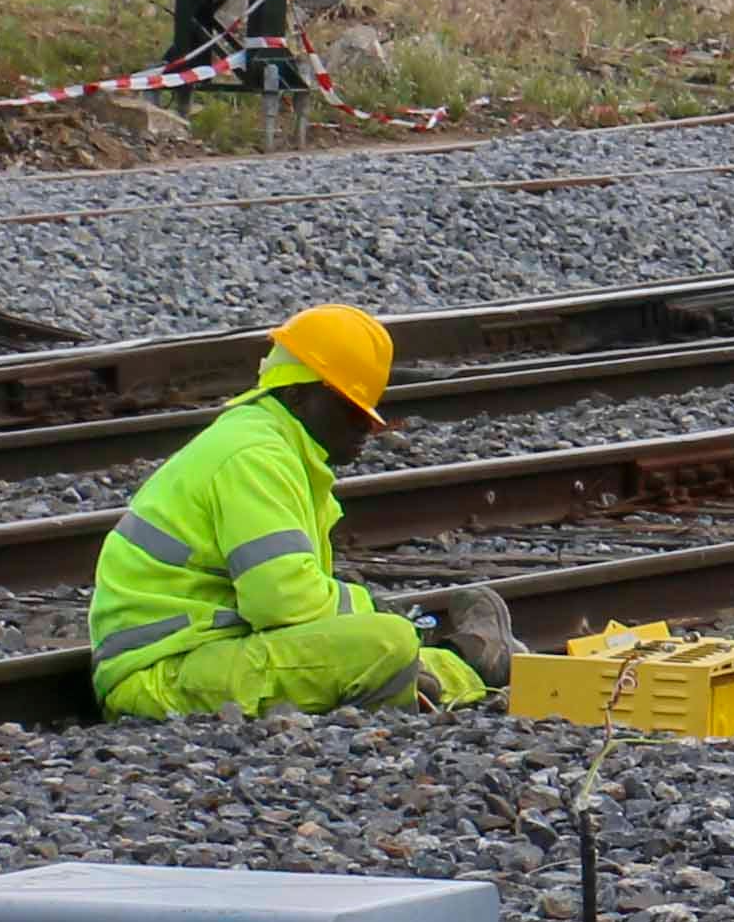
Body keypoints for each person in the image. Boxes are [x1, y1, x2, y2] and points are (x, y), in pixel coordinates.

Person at [90, 306, 517, 719]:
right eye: (353, 409)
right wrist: (369, 606)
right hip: (163, 674)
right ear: (298, 394)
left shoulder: (271, 446)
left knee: (378, 643)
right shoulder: (255, 457)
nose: (367, 427)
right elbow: (282, 603)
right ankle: (469, 666)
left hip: (199, 654)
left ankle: (468, 662)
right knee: (385, 642)